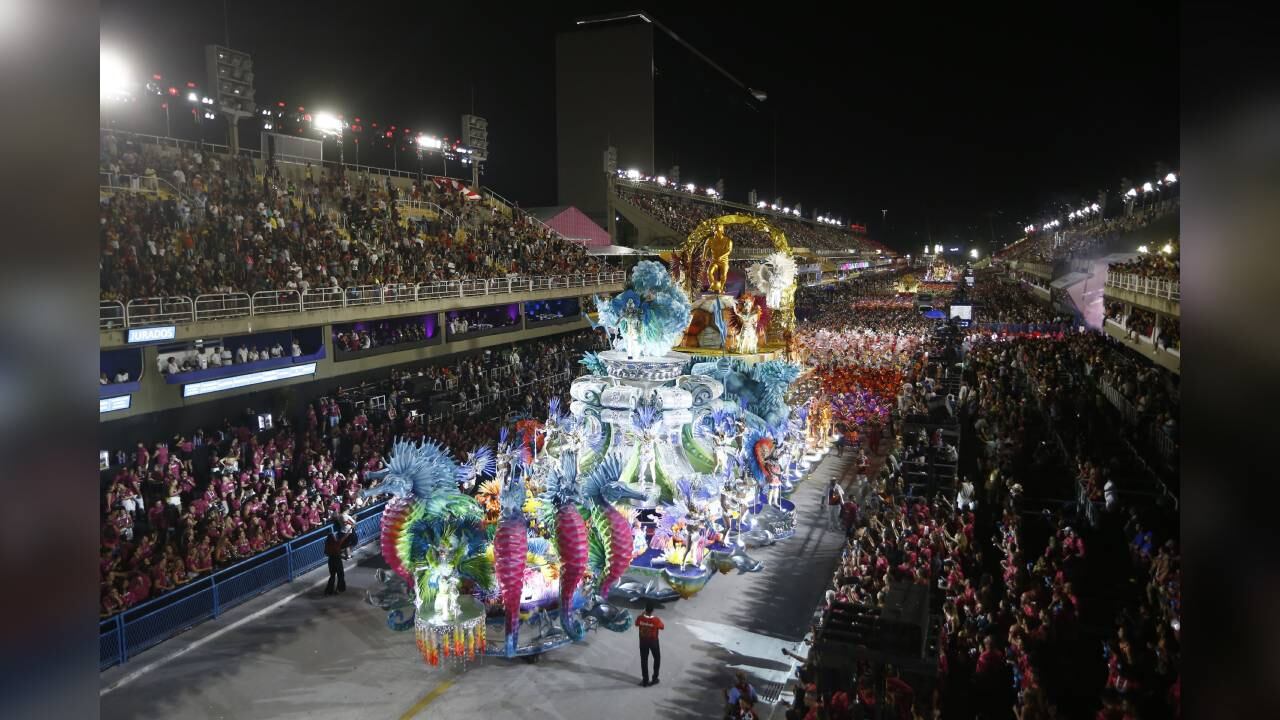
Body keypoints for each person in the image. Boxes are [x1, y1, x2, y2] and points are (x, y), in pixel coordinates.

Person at [323, 514, 356, 595]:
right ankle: (340, 589)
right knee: (340, 574)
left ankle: (329, 591)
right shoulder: (336, 543)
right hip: (337, 560)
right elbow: (344, 537)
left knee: (332, 576)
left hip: (331, 561)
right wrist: (350, 529)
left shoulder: (327, 545)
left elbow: (326, 553)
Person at [635, 601, 664, 687]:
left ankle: (645, 680)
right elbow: (662, 627)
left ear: (645, 609)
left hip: (643, 641)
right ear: (653, 610)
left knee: (644, 660)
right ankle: (654, 678)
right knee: (657, 658)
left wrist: (642, 614)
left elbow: (636, 624)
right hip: (653, 642)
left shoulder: (640, 618)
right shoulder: (655, 620)